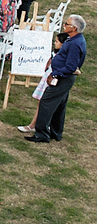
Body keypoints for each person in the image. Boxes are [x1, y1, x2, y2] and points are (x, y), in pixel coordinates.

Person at [27, 14, 87, 143]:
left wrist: (54, 74)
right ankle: (55, 132)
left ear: (74, 28)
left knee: (46, 102)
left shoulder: (75, 44)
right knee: (60, 105)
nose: (64, 25)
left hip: (62, 78)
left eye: (67, 24)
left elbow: (70, 67)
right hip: (64, 76)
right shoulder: (74, 39)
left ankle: (41, 134)